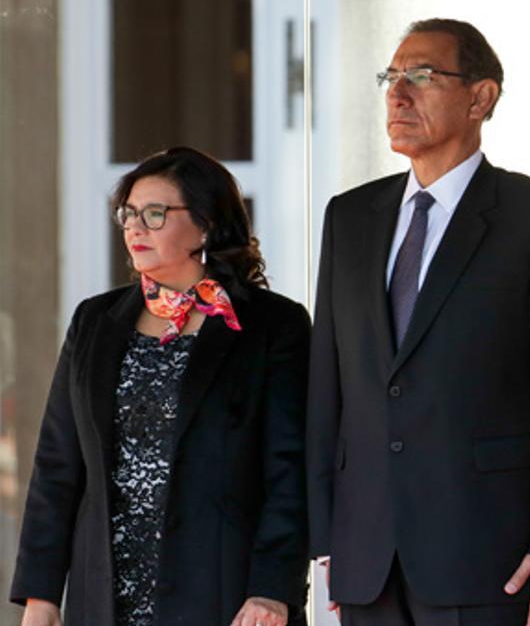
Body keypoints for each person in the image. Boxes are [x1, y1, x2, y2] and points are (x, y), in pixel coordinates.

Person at [306, 18, 530, 626]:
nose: (397, 93)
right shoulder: (350, 218)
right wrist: (326, 537)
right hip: (368, 559)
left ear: (480, 97)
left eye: (420, 75)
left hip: (487, 554)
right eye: (390, 77)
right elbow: (328, 388)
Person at [10, 147, 310, 625]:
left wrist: (273, 589)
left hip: (227, 598)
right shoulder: (94, 321)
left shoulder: (274, 325)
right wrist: (41, 596)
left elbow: (290, 472)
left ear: (206, 224)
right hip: (105, 599)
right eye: (128, 214)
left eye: (155, 213)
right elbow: (57, 467)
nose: (135, 227)